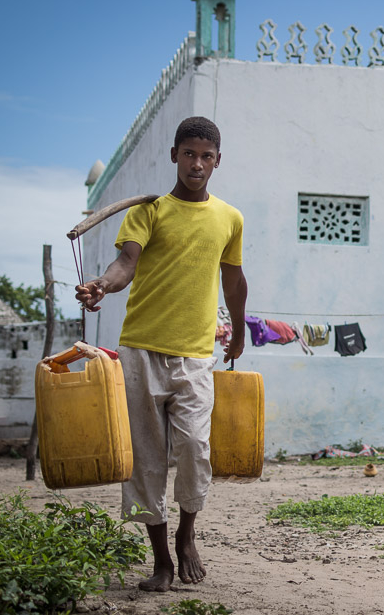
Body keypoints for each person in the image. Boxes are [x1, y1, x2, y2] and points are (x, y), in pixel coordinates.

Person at [75, 116, 247, 592]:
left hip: (195, 355)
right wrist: (101, 287)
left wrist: (238, 332)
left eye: (206, 156)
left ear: (217, 161)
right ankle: (160, 561)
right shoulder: (148, 212)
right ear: (174, 155)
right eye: (188, 153)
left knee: (194, 448)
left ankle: (187, 537)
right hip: (140, 351)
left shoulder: (229, 217)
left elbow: (233, 278)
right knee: (146, 460)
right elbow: (124, 264)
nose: (197, 163)